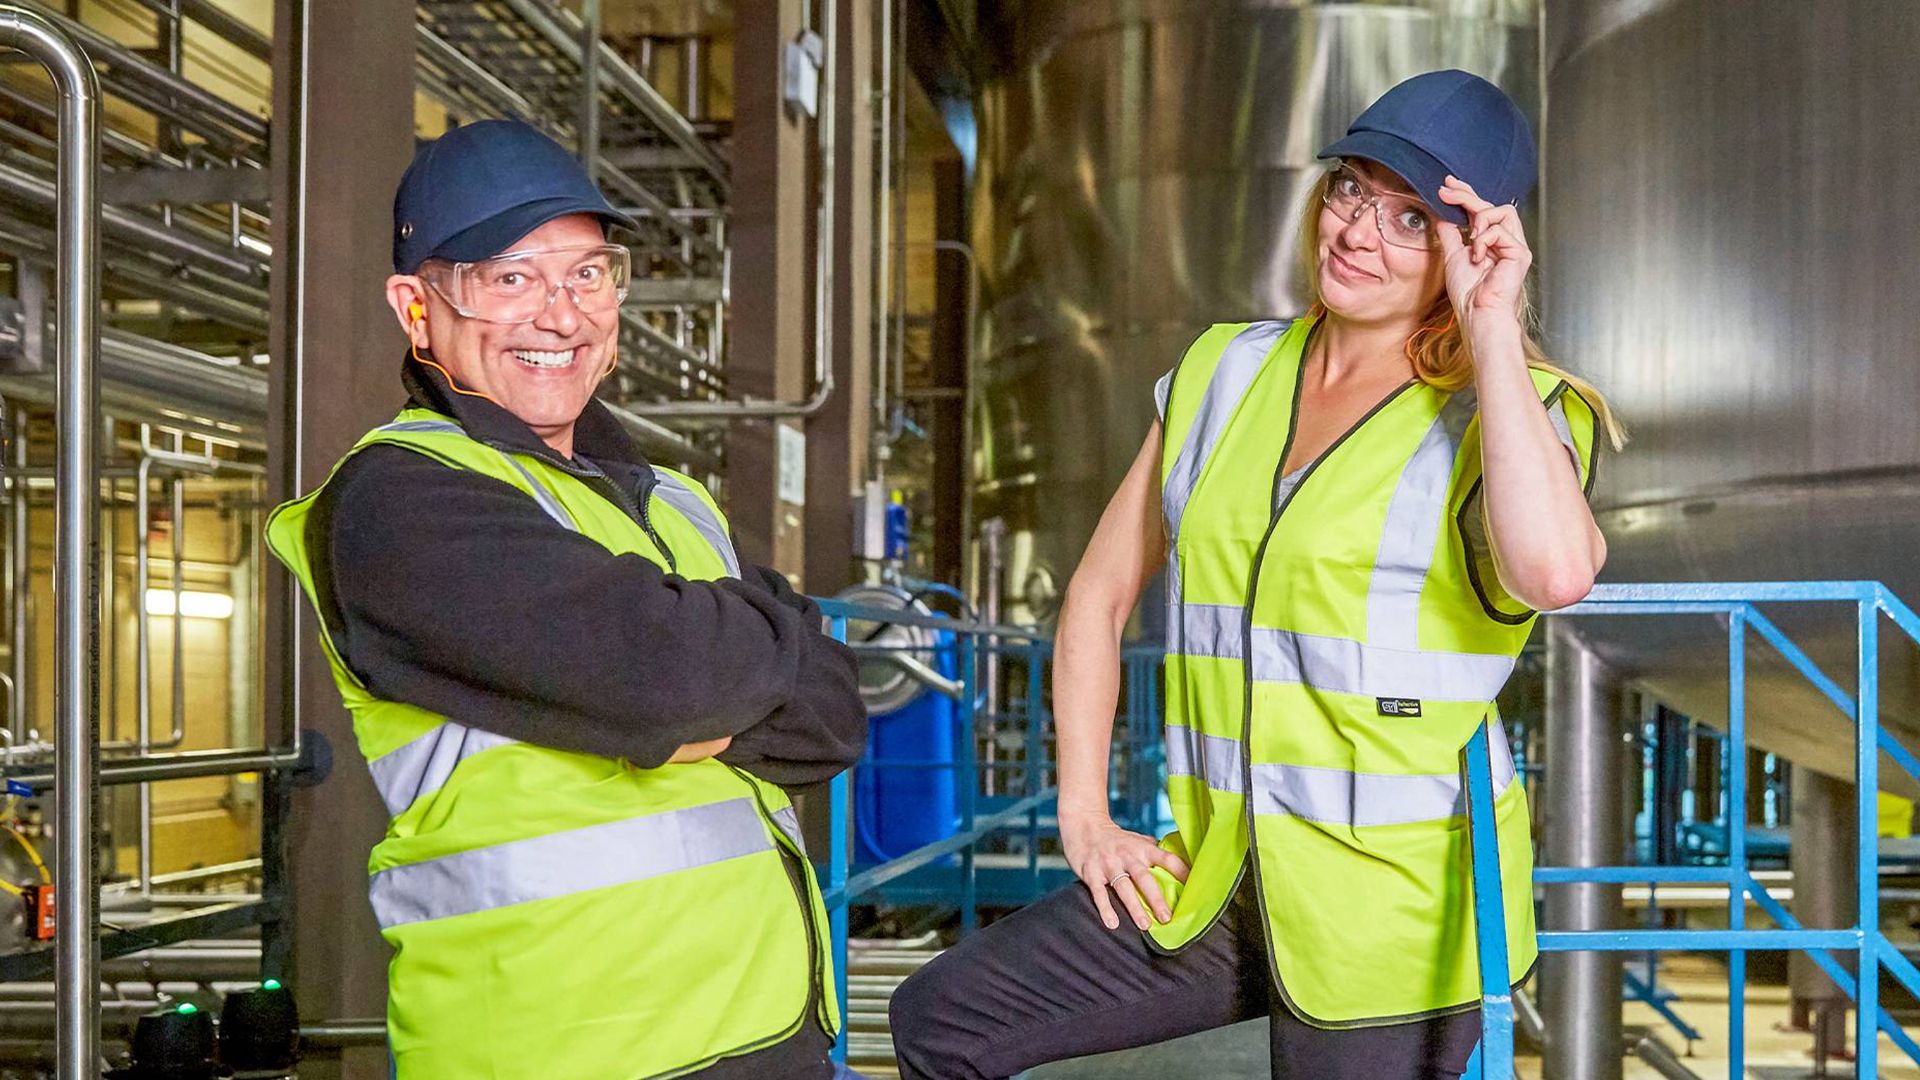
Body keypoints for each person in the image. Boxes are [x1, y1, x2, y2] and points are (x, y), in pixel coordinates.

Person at [889, 70, 1623, 1079]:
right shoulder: (1222, 372)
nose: (1359, 231)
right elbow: (1097, 601)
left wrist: (1491, 326)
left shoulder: (1509, 410)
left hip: (1397, 920)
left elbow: (1552, 574)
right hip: (1225, 876)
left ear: (1473, 246)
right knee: (943, 1019)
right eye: (1351, 189)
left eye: (1414, 219)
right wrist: (1084, 814)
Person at [265, 119, 869, 1080]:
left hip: (767, 1030)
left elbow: (835, 711)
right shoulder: (399, 500)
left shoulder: (671, 499)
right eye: (512, 279)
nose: (563, 314)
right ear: (415, 307)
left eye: (588, 274)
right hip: (561, 1049)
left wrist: (709, 687)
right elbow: (669, 682)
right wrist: (736, 669)